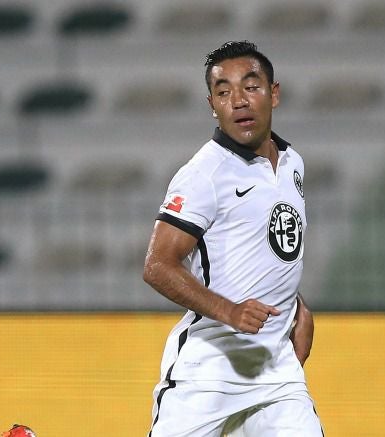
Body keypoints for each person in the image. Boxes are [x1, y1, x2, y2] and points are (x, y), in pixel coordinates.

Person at [143, 40, 324, 437]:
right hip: (208, 372)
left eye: (251, 87)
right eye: (224, 93)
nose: (238, 101)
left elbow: (264, 251)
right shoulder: (204, 174)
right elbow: (158, 266)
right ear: (212, 104)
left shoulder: (292, 162)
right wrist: (230, 312)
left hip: (276, 374)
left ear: (274, 94)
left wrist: (298, 305)